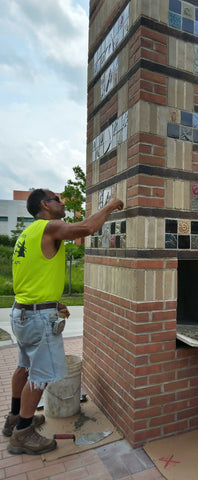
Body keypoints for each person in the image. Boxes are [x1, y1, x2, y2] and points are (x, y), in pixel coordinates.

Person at [3, 189, 124, 455]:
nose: (63, 202)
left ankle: (14, 418)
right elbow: (87, 227)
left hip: (22, 311)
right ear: (46, 205)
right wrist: (111, 205)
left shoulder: (28, 233)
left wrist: (51, 301)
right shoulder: (50, 226)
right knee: (40, 376)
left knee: (24, 367)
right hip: (37, 317)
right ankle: (22, 433)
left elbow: (32, 273)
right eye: (58, 199)